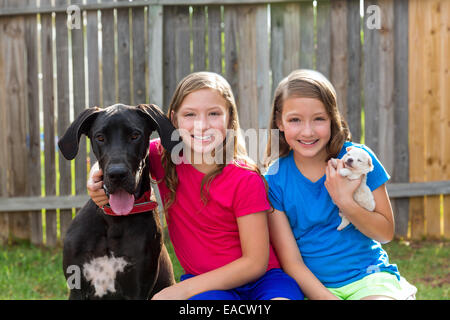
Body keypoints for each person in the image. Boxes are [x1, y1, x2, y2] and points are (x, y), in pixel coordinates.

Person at [87, 71, 303, 300]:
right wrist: (95, 177)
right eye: (190, 114)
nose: (201, 125)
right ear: (174, 119)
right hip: (207, 288)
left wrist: (181, 290)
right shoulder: (163, 158)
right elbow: (121, 156)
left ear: (229, 117)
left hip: (264, 282)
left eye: (214, 114)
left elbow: (255, 263)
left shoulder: (245, 178)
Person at [264, 69, 417, 300]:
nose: (308, 131)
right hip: (311, 289)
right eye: (295, 120)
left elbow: (385, 233)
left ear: (332, 119)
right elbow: (292, 263)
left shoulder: (359, 158)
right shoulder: (274, 179)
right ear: (280, 122)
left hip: (368, 279)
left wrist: (345, 200)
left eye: (319, 119)